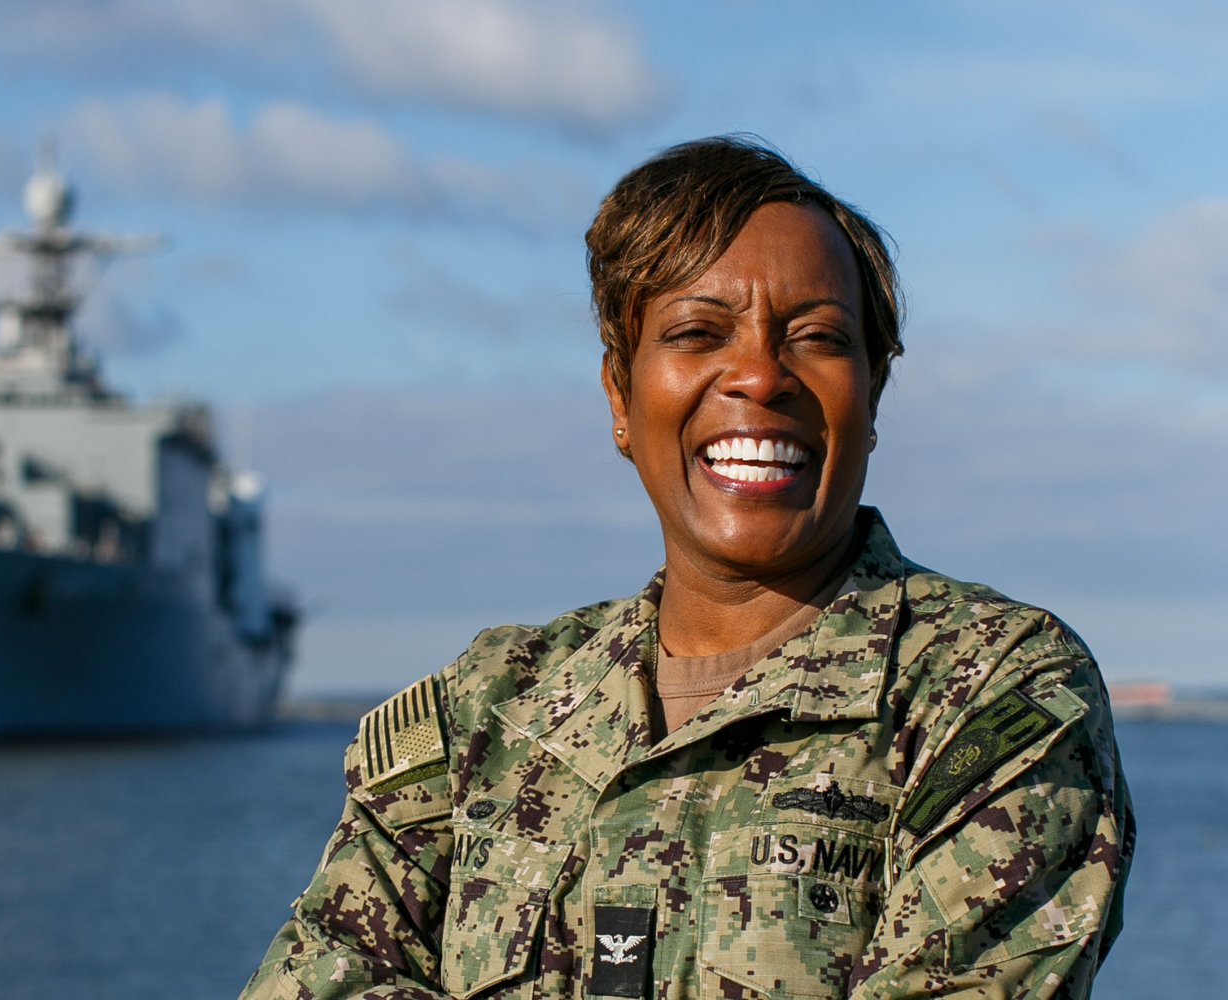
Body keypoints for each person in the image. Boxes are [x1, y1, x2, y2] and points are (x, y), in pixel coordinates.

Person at [240, 136, 1133, 1000]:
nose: (759, 376)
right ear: (620, 397)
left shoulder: (989, 693)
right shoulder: (489, 711)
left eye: (817, 337)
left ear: (872, 396)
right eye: (699, 332)